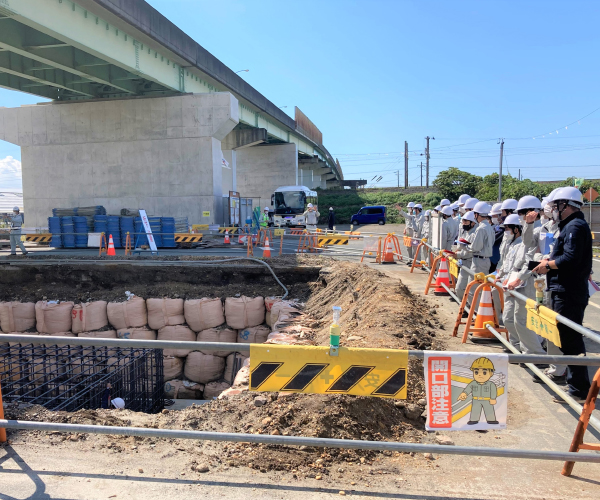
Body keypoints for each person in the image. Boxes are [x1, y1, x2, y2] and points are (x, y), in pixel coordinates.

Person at [532, 187, 592, 402]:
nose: (554, 210)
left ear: (566, 205)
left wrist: (548, 265)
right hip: (563, 289)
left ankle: (580, 390)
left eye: (556, 206)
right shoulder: (569, 226)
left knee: (571, 340)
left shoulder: (575, 226)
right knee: (568, 339)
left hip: (569, 291)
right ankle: (577, 386)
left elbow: (571, 258)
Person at [496, 214, 545, 355]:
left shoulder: (533, 237)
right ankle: (519, 347)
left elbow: (528, 263)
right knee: (509, 319)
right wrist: (506, 277)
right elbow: (511, 263)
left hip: (526, 282)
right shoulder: (514, 243)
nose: (506, 231)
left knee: (522, 320)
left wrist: (518, 279)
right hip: (513, 280)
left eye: (508, 228)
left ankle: (535, 353)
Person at [466, 202, 495, 306]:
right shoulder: (489, 227)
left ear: (477, 214)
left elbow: (476, 247)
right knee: (482, 288)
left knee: (472, 289)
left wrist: (466, 246)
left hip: (479, 260)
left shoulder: (481, 228)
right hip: (486, 260)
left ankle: (476, 313)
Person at [457, 357, 500, 425]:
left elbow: (493, 391)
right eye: (476, 372)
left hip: (487, 400)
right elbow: (468, 389)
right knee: (475, 410)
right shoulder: (473, 383)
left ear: (491, 373)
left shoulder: (491, 384)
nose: (480, 375)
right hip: (476, 399)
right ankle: (474, 420)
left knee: (489, 410)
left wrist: (493, 398)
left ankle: (491, 420)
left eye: (484, 372)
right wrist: (464, 393)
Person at [454, 210, 477, 300]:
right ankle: (465, 307)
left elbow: (469, 250)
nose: (463, 223)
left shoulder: (475, 234)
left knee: (466, 288)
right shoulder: (467, 232)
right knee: (460, 288)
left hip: (470, 262)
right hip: (464, 262)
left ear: (473, 223)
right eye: (463, 221)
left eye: (466, 222)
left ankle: (467, 308)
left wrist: (457, 255)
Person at [489, 203, 503, 273]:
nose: (492, 218)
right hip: (492, 258)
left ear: (500, 215)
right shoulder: (496, 226)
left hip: (497, 259)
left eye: (494, 216)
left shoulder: (503, 228)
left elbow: (493, 239)